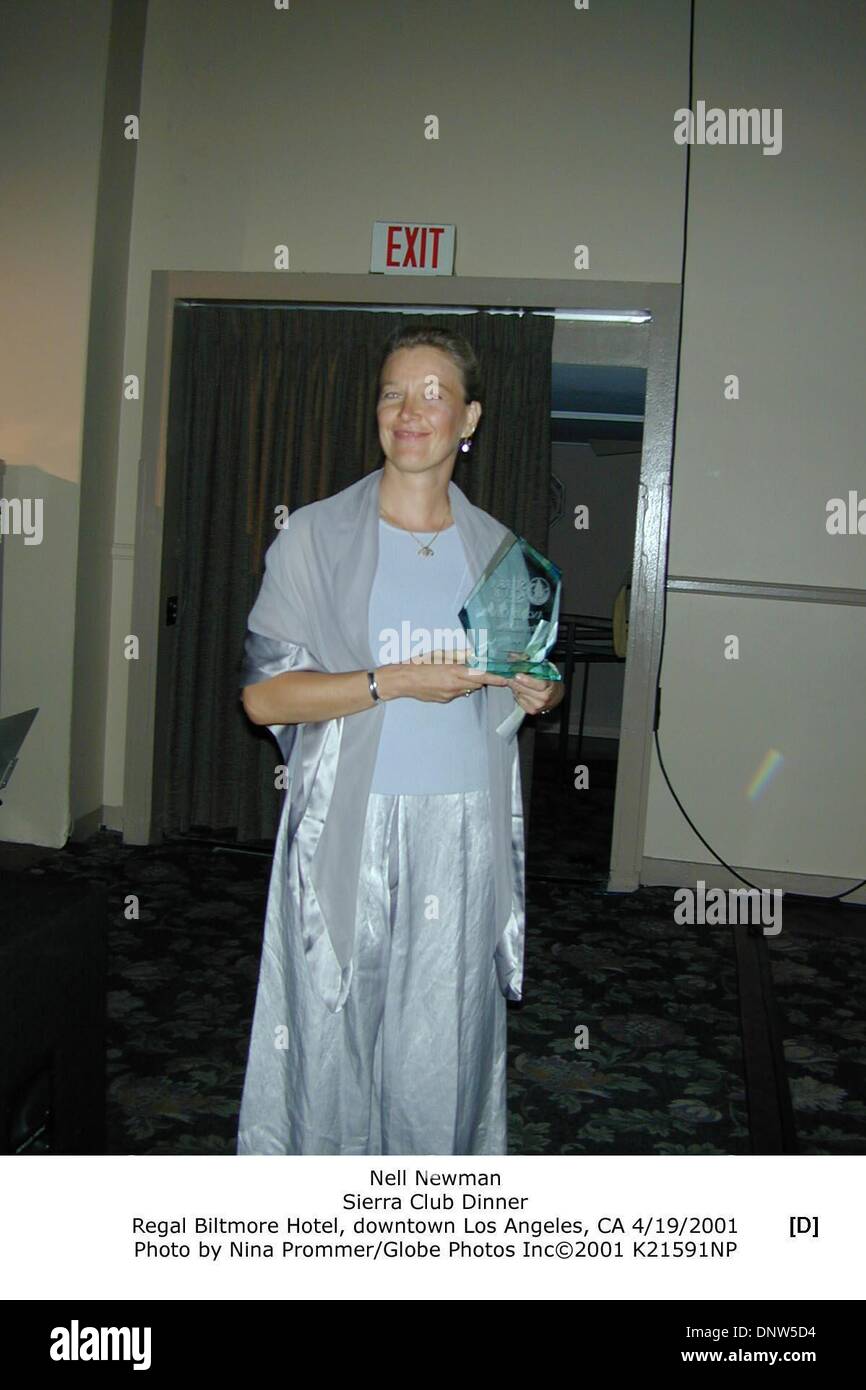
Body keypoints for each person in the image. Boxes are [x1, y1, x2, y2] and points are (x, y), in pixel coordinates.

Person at [236, 325, 565, 1155]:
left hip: (460, 836)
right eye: (393, 392)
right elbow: (264, 695)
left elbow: (524, 675)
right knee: (328, 1048)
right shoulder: (314, 534)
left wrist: (541, 689)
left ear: (470, 418)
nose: (410, 411)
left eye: (433, 394)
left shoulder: (499, 551)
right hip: (347, 830)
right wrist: (391, 681)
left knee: (439, 1058)